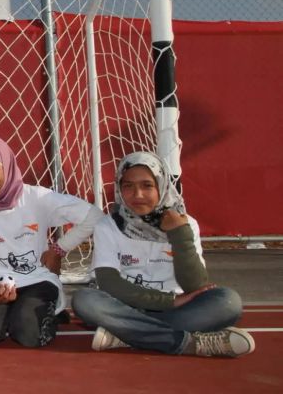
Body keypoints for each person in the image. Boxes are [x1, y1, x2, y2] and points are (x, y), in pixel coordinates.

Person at [72, 151, 255, 357]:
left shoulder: (185, 223)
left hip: (174, 309)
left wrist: (179, 234)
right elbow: (109, 282)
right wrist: (167, 301)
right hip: (126, 305)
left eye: (147, 185)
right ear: (119, 189)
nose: (137, 195)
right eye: (128, 186)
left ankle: (125, 334)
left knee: (228, 302)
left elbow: (195, 286)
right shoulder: (109, 225)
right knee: (85, 299)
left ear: (162, 185)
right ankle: (189, 344)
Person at [0, 135, 103, 348]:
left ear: (7, 166)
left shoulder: (37, 198)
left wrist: (58, 249)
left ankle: (46, 312)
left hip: (37, 279)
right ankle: (6, 311)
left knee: (27, 333)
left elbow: (94, 217)